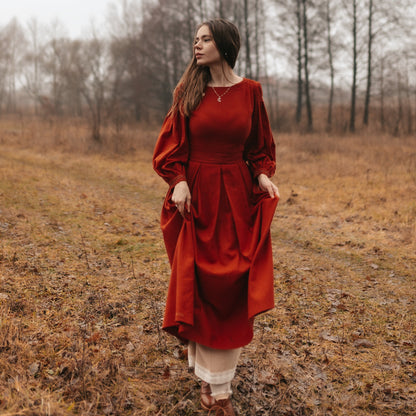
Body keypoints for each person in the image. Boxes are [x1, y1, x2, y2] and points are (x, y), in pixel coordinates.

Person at [152, 18, 279, 416]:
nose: (197, 44)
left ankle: (218, 386)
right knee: (202, 285)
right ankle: (214, 386)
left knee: (232, 288)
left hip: (237, 199)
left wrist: (261, 174)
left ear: (224, 45)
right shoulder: (188, 90)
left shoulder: (251, 92)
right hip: (198, 199)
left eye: (205, 38)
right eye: (196, 39)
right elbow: (171, 147)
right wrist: (178, 180)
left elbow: (257, 145)